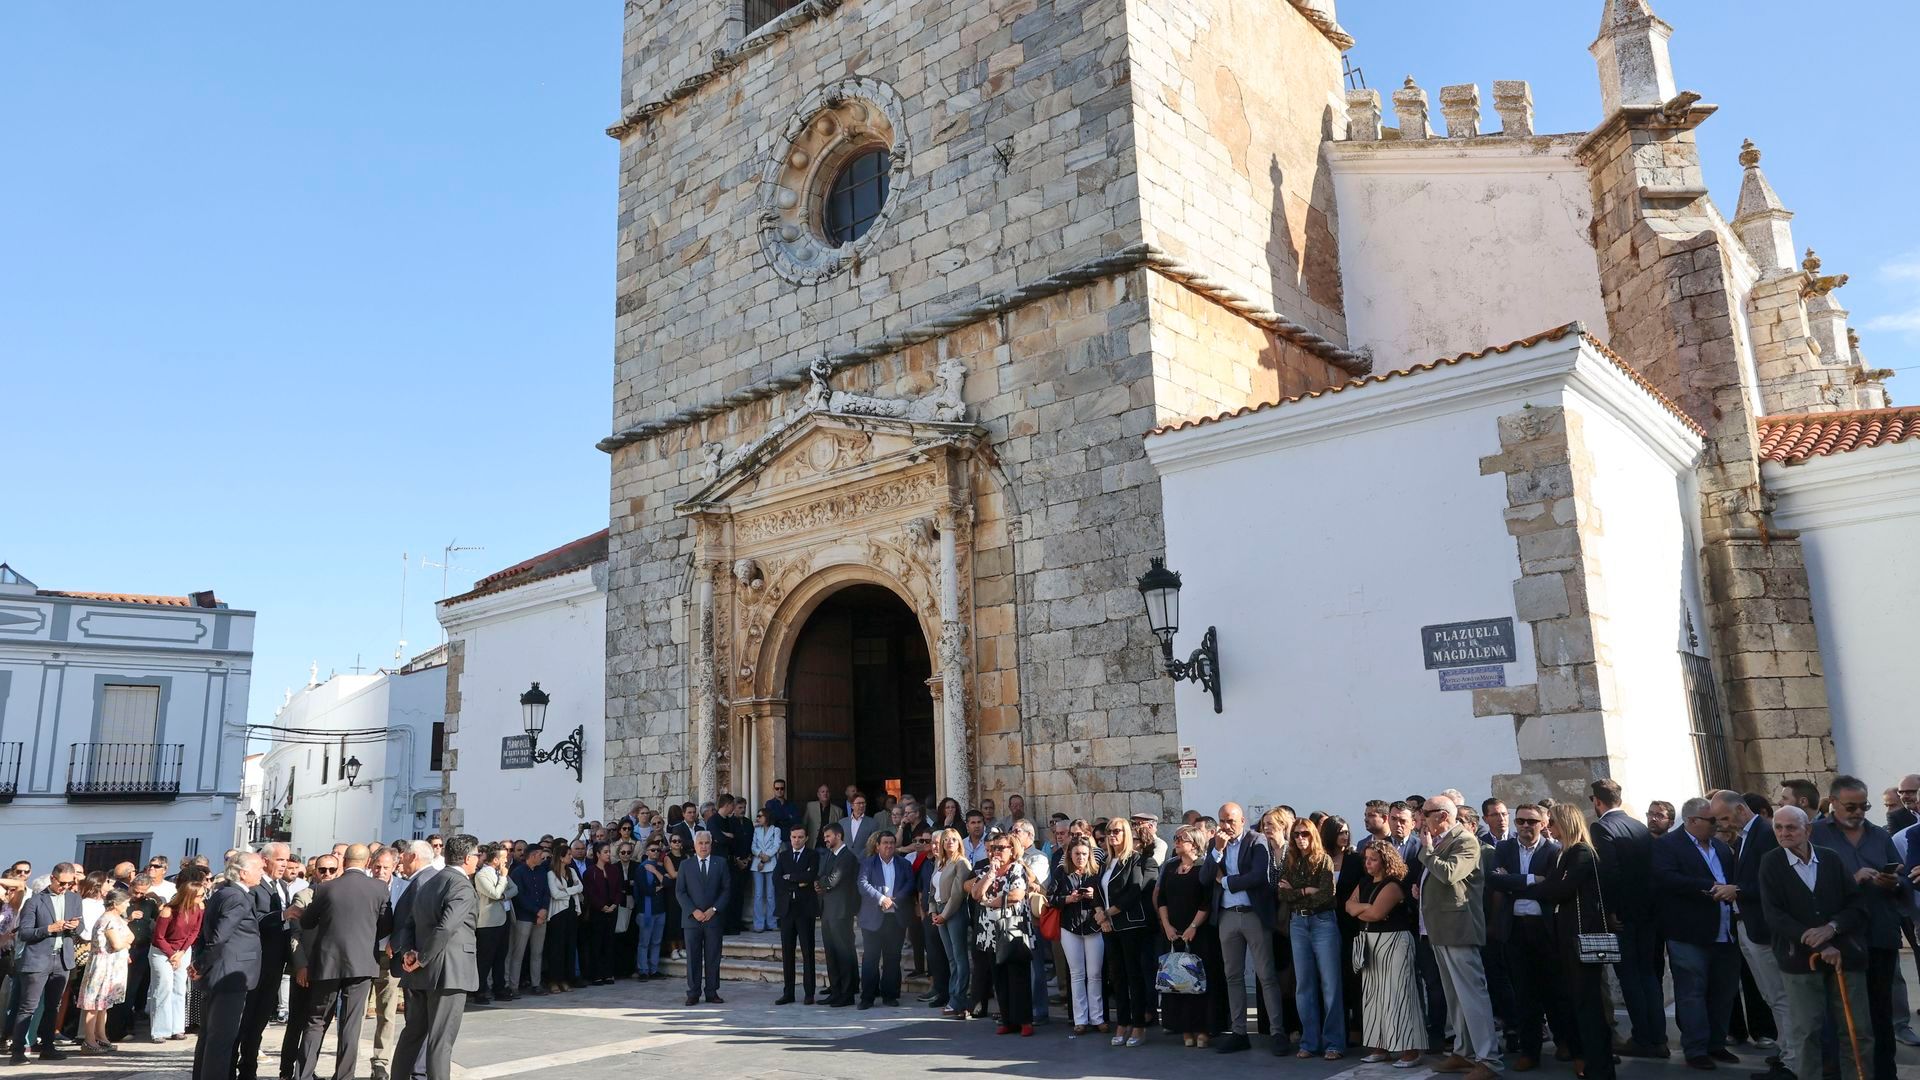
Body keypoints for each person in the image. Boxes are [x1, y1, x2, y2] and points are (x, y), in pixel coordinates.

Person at [1759, 805, 1874, 1080]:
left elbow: (1856, 905)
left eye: (1791, 827)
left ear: (1807, 829)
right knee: (1806, 1031)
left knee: (1857, 1029)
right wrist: (1819, 943)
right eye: (1778, 827)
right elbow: (1775, 916)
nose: (1784, 833)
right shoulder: (1771, 863)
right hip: (1798, 959)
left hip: (1845, 955)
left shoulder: (1830, 859)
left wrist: (1832, 928)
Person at [1809, 775, 1904, 1080]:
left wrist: (1893, 881)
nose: (1858, 812)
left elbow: (1900, 879)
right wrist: (1853, 879)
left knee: (1880, 1013)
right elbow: (1808, 887)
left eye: (1864, 806)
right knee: (1843, 1016)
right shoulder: (1816, 835)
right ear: (1833, 803)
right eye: (1851, 806)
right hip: (1840, 938)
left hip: (1879, 935)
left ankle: (1884, 1074)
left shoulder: (1879, 835)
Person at [1527, 803, 1617, 1080]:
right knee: (1578, 1002)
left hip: (1582, 936)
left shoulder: (1581, 852)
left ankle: (1601, 1068)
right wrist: (1543, 886)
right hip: (1568, 937)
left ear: (1565, 823)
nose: (1547, 827)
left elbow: (1560, 888)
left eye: (1551, 822)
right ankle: (1590, 1062)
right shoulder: (1565, 854)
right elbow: (1554, 885)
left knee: (1588, 1005)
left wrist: (1531, 886)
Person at [1653, 795, 1742, 1070]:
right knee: (1692, 992)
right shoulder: (1669, 845)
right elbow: (1666, 879)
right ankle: (1696, 1048)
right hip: (1689, 933)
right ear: (1692, 821)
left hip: (1725, 931)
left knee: (1723, 991)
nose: (1717, 825)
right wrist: (1708, 887)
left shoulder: (1721, 847)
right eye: (1711, 820)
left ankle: (1717, 1043)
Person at [1709, 790, 1794, 1080]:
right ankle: (1786, 1051)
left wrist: (1738, 890)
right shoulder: (1746, 837)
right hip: (1748, 925)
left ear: (1741, 811)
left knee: (1780, 995)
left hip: (1762, 928)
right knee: (1771, 995)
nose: (1721, 824)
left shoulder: (1765, 834)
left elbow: (1775, 884)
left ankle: (1792, 1060)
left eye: (1724, 817)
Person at [1416, 794, 1501, 1079]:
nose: (1420, 818)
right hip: (1440, 929)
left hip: (1459, 929)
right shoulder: (1441, 842)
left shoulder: (1465, 840)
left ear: (1442, 815)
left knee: (1472, 996)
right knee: (1455, 997)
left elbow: (1450, 874)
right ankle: (1463, 1051)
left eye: (1425, 813)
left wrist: (1427, 852)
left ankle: (1489, 1059)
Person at [1484, 802, 1570, 1071]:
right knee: (1523, 992)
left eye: (1531, 821)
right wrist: (1532, 879)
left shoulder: (1554, 851)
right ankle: (1529, 1051)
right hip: (1515, 929)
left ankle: (1564, 1041)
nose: (1524, 826)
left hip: (1544, 930)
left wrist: (1514, 882)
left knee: (1553, 989)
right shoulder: (1505, 848)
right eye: (1520, 821)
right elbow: (1495, 881)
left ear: (1543, 824)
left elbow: (1553, 888)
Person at [295, 843, 392, 1080]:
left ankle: (303, 1075)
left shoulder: (326, 888)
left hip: (328, 961)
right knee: (351, 1024)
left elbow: (307, 922)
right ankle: (344, 1077)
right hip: (361, 963)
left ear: (344, 863)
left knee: (316, 1021)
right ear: (368, 863)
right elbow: (387, 925)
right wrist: (366, 937)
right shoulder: (379, 888)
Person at [391, 834, 480, 1080]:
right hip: (447, 971)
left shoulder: (430, 881)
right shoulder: (459, 884)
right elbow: (446, 927)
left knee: (413, 1034)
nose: (478, 860)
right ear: (466, 858)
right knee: (440, 1041)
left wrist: (410, 953)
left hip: (421, 970)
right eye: (476, 855)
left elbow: (409, 924)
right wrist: (422, 957)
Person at [1203, 801, 1289, 1056]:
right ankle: (1239, 1031)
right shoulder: (1216, 843)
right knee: (1233, 975)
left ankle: (1277, 1031)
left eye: (1231, 820)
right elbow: (1205, 878)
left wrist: (1226, 881)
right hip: (1228, 916)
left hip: (1253, 915)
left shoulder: (1257, 840)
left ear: (1242, 821)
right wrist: (1217, 852)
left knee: (1266, 975)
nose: (1226, 826)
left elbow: (1258, 876)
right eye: (1222, 821)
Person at [1588, 778, 1666, 1057]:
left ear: (1597, 801)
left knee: (1630, 977)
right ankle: (1658, 1037)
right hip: (1646, 912)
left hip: (1623, 914)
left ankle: (1643, 1038)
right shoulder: (1638, 826)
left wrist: (1609, 911)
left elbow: (1609, 873)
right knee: (1647, 975)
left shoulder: (1601, 826)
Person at [1346, 839, 1424, 1067]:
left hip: (1394, 941)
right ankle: (1380, 1047)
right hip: (1369, 941)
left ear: (1385, 861)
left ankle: (1410, 1051)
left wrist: (1362, 909)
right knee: (1373, 996)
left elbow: (1376, 914)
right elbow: (1348, 906)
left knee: (1398, 996)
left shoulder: (1393, 884)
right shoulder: (1364, 882)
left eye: (1373, 859)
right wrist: (1363, 909)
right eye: (1366, 859)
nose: (1368, 863)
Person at [192, 852, 264, 1080]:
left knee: (210, 1036)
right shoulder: (236, 897)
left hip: (219, 971)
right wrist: (201, 964)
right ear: (244, 873)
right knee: (221, 1038)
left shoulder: (223, 892)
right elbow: (219, 937)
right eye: (258, 868)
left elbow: (209, 933)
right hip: (229, 974)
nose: (261, 872)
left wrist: (199, 963)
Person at [1279, 810, 1344, 1060]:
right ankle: (1309, 1041)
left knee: (1330, 985)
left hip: (1323, 922)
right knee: (1304, 985)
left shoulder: (1324, 860)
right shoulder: (1291, 861)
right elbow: (1283, 894)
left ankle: (1334, 1042)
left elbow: (1327, 894)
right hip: (1298, 923)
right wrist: (1306, 889)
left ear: (1313, 835)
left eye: (1305, 833)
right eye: (1296, 834)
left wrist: (1297, 889)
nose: (1300, 838)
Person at [236, 842, 295, 1080]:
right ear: (265, 860)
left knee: (261, 1017)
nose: (284, 865)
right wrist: (282, 915)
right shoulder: (254, 886)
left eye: (287, 860)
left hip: (276, 962)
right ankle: (237, 1066)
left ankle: (249, 1067)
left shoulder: (282, 886)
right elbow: (252, 920)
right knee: (247, 1016)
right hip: (256, 960)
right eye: (280, 860)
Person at [1095, 813, 1154, 1047]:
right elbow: (1096, 888)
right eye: (1109, 832)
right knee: (1116, 976)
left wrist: (1110, 912)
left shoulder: (1135, 859)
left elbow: (1135, 890)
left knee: (1133, 974)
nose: (1112, 835)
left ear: (1126, 834)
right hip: (1109, 925)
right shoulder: (1105, 862)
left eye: (1117, 831)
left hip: (1129, 923)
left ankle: (1138, 1025)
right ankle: (1122, 1022)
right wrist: (1100, 913)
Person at [971, 832, 1035, 1037]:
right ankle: (1008, 1020)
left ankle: (1024, 1020)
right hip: (990, 932)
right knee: (999, 978)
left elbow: (1017, 894)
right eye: (993, 848)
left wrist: (991, 903)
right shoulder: (987, 870)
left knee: (1018, 976)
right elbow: (975, 894)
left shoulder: (1017, 868)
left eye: (1001, 848)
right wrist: (990, 874)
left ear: (1012, 849)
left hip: (1013, 929)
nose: (995, 852)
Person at [1155, 825, 1212, 1047]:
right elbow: (1162, 899)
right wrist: (1167, 926)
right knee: (1177, 982)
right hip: (1173, 933)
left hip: (1198, 933)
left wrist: (1194, 926)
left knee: (1198, 981)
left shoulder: (1203, 867)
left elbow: (1206, 901)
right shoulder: (1170, 867)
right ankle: (1184, 1028)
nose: (1177, 841)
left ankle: (1203, 1029)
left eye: (1182, 838)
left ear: (1195, 843)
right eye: (1176, 838)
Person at [857, 830, 917, 1008]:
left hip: (895, 918)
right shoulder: (868, 863)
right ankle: (867, 997)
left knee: (892, 958)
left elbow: (910, 883)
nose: (889, 846)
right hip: (872, 919)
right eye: (885, 843)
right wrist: (882, 899)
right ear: (878, 846)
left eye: (892, 843)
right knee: (870, 959)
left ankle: (890, 995)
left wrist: (894, 900)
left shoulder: (903, 864)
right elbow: (862, 884)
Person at [676, 829, 730, 1006]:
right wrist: (694, 911)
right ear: (694, 845)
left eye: (707, 843)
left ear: (711, 844)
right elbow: (680, 892)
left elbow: (727, 889)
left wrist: (713, 909)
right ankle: (693, 992)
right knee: (693, 957)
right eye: (701, 843)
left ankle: (712, 991)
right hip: (692, 920)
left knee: (713, 956)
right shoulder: (686, 865)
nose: (704, 846)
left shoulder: (720, 863)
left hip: (713, 919)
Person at [76, 887, 133, 1053]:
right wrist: (126, 943)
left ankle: (101, 1036)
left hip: (112, 965)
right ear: (115, 903)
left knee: (104, 1004)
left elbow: (131, 936)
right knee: (94, 1003)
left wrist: (126, 942)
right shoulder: (109, 919)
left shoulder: (117, 919)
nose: (128, 905)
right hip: (104, 965)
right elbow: (117, 944)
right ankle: (89, 1040)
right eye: (126, 902)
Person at [149, 876, 204, 1043]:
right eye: (199, 895)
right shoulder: (168, 910)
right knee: (163, 987)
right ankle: (159, 1030)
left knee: (180, 988)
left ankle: (177, 1028)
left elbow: (195, 931)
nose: (202, 898)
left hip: (182, 950)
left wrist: (181, 952)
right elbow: (158, 937)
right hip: (162, 951)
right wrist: (172, 954)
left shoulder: (199, 908)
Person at [771, 824, 819, 1004]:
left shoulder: (812, 855)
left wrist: (789, 877)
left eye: (800, 837)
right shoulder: (783, 856)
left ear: (806, 838)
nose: (796, 840)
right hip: (787, 910)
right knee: (787, 952)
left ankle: (809, 993)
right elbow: (776, 879)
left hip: (805, 910)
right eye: (793, 837)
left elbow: (811, 876)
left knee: (808, 952)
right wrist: (797, 881)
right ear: (789, 838)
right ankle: (788, 992)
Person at [927, 828, 971, 1015]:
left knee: (960, 957)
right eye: (946, 839)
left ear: (959, 842)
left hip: (954, 912)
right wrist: (932, 912)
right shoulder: (939, 862)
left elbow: (957, 894)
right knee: (951, 958)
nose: (950, 842)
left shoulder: (961, 863)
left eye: (954, 839)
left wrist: (944, 915)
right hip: (939, 910)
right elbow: (931, 890)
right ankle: (954, 995)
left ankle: (959, 998)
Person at [818, 821, 860, 1007]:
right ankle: (835, 990)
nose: (825, 840)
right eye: (824, 837)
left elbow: (832, 880)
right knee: (830, 952)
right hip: (827, 910)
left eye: (828, 836)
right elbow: (821, 875)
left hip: (842, 911)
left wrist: (823, 882)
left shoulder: (847, 857)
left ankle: (847, 992)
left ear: (838, 836)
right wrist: (822, 881)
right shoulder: (828, 855)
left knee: (844, 952)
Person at [472, 843, 517, 1003]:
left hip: (503, 919)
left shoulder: (501, 873)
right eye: (504, 858)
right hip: (488, 923)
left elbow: (514, 889)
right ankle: (480, 990)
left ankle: (499, 988)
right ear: (496, 859)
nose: (507, 860)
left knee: (500, 957)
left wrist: (504, 894)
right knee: (485, 959)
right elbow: (494, 893)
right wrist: (503, 880)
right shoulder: (482, 875)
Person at [505, 844, 549, 996]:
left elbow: (546, 892)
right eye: (540, 855)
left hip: (541, 917)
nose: (542, 859)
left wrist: (543, 910)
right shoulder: (518, 872)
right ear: (533, 855)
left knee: (537, 952)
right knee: (518, 952)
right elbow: (519, 897)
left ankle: (536, 984)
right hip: (524, 917)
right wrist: (536, 911)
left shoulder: (542, 871)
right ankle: (513, 985)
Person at [543, 839, 583, 993]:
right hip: (558, 914)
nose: (571, 858)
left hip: (572, 911)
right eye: (568, 855)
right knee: (556, 948)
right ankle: (554, 979)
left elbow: (581, 886)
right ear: (561, 857)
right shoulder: (551, 874)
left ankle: (566, 978)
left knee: (569, 946)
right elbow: (555, 894)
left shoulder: (571, 871)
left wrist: (568, 891)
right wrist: (572, 890)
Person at [583, 844, 623, 986]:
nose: (608, 854)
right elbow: (590, 893)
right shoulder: (590, 872)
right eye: (605, 852)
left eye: (609, 852)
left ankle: (608, 973)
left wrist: (614, 905)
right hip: (597, 912)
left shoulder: (614, 870)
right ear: (597, 854)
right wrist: (601, 906)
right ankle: (597, 974)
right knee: (597, 943)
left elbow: (619, 889)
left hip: (612, 910)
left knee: (609, 941)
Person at [633, 838, 670, 980]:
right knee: (644, 942)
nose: (655, 852)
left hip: (660, 910)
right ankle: (643, 969)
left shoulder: (659, 867)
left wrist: (655, 872)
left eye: (658, 850)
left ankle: (654, 969)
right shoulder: (641, 868)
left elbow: (667, 883)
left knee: (656, 941)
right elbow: (645, 889)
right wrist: (659, 887)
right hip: (646, 911)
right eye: (653, 850)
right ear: (647, 852)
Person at [752, 810, 781, 933]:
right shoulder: (756, 830)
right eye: (757, 816)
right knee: (758, 895)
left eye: (760, 816)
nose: (758, 818)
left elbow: (776, 845)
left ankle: (772, 922)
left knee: (771, 894)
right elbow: (753, 846)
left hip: (770, 862)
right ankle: (758, 924)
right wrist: (760, 855)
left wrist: (766, 857)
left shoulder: (776, 830)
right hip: (757, 863)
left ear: (767, 817)